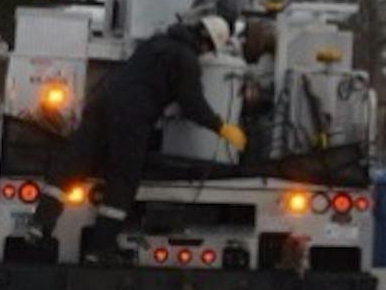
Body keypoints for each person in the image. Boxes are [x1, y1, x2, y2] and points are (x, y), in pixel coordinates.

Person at [30, 15, 246, 254]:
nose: (205, 54)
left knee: (74, 164)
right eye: (208, 49)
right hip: (131, 118)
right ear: (205, 40)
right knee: (122, 179)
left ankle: (40, 224)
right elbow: (192, 105)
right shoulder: (185, 60)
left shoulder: (155, 42)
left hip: (101, 103)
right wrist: (221, 128)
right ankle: (99, 249)